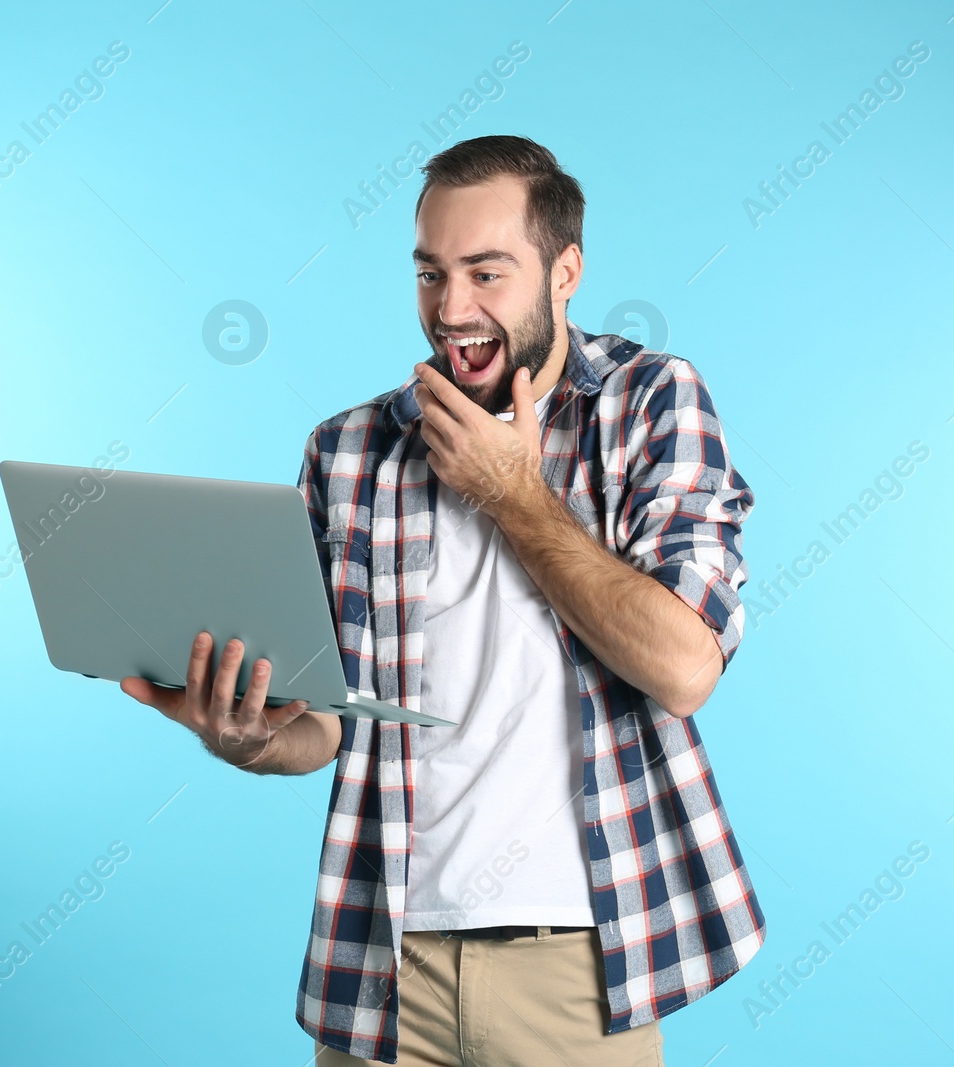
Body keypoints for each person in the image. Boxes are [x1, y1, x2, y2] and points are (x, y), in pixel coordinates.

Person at [122, 134, 766, 1066]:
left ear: (565, 272)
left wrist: (513, 493)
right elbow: (326, 723)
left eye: (486, 273)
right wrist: (249, 736)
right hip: (379, 969)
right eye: (430, 274)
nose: (450, 310)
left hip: (578, 971)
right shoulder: (346, 452)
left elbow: (683, 664)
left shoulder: (652, 403)